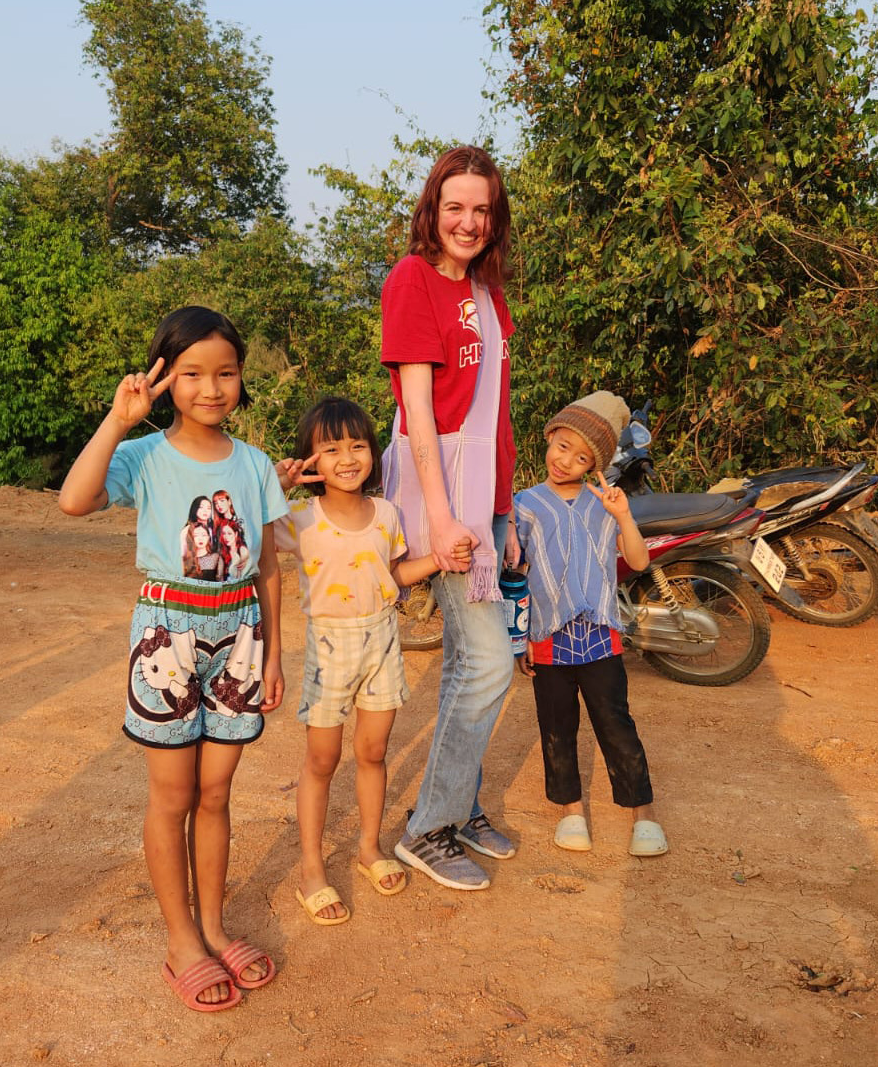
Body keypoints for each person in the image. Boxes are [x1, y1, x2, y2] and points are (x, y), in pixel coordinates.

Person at [58, 306, 287, 1013]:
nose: (210, 388)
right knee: (174, 796)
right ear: (163, 377)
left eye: (225, 373)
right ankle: (181, 937)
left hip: (240, 635)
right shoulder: (143, 454)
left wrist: (274, 655)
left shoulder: (252, 464)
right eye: (191, 374)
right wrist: (119, 419)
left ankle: (215, 925)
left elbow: (271, 565)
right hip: (169, 633)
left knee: (216, 793)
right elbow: (73, 499)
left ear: (242, 379)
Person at [379, 144, 520, 891]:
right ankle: (427, 827)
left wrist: (508, 508)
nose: (468, 221)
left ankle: (458, 805)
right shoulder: (412, 282)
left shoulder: (489, 294)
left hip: (485, 494)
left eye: (482, 210)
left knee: (473, 661)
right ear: (432, 209)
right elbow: (419, 414)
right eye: (455, 206)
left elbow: (494, 413)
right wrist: (439, 517)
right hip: (442, 494)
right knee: (491, 660)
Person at [272, 397, 469, 924]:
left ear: (373, 453)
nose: (347, 457)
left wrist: (441, 559)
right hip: (328, 646)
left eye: (358, 445)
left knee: (374, 751)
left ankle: (367, 848)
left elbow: (395, 576)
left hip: (382, 641)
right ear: (309, 459)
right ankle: (312, 867)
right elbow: (252, 540)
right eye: (331, 448)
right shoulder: (298, 518)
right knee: (321, 760)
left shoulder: (387, 514)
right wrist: (277, 486)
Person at [511, 392, 668, 858]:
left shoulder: (606, 503)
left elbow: (637, 560)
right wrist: (520, 641)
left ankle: (644, 814)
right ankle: (572, 811)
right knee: (557, 728)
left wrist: (622, 515)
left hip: (601, 639)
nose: (566, 461)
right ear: (549, 438)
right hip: (548, 639)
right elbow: (515, 578)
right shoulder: (524, 506)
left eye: (582, 457)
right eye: (562, 446)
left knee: (616, 724)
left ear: (594, 464)